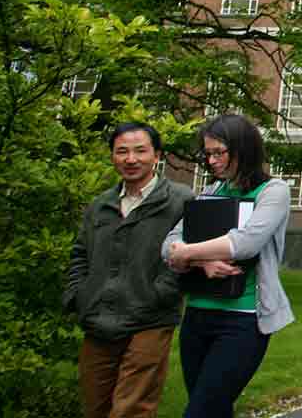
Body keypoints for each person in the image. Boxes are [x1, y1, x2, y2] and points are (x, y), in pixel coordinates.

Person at [163, 114, 295, 418]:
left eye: (218, 153)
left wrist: (187, 254)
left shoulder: (273, 192)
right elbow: (168, 244)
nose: (211, 161)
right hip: (197, 317)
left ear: (243, 150)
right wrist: (202, 260)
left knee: (200, 411)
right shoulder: (210, 193)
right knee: (215, 409)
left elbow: (246, 242)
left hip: (243, 323)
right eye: (207, 154)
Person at [65, 121, 194, 418]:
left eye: (140, 151)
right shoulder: (100, 205)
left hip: (149, 319)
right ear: (112, 156)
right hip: (98, 318)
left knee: (131, 409)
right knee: (95, 407)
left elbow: (186, 257)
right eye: (122, 151)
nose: (131, 159)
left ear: (157, 155)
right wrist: (79, 295)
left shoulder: (180, 200)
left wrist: (160, 293)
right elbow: (79, 254)